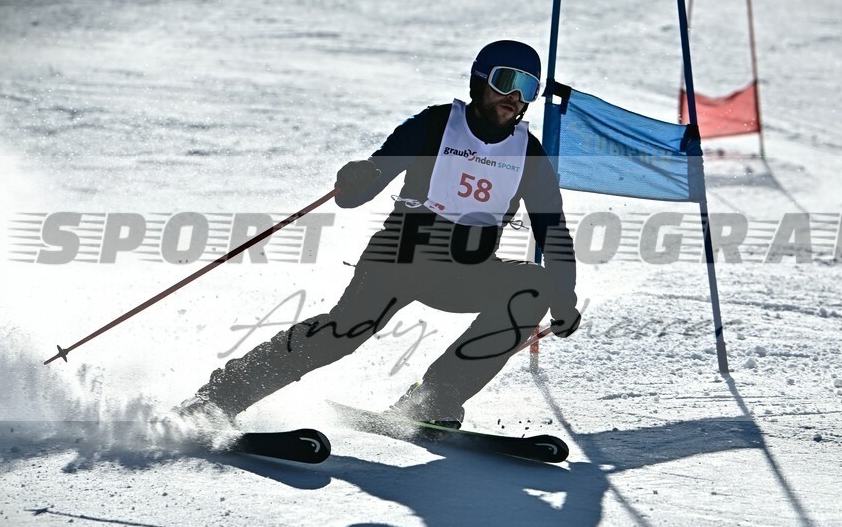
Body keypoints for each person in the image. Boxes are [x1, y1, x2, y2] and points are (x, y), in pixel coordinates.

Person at [181, 40, 580, 429]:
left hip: (468, 270)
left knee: (533, 286)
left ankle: (433, 400)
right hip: (401, 258)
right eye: (505, 79)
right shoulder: (434, 125)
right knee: (342, 333)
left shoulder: (529, 154)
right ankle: (218, 399)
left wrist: (563, 300)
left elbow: (554, 232)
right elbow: (360, 191)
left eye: (527, 87)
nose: (513, 95)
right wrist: (357, 177)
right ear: (478, 81)